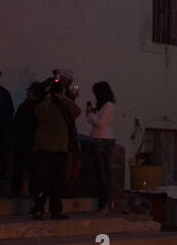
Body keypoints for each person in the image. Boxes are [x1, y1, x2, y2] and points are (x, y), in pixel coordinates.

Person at [31, 76, 81, 219]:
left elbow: (77, 111)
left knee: (56, 182)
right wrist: (50, 98)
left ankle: (54, 209)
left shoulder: (63, 103)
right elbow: (40, 115)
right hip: (45, 148)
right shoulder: (46, 103)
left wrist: (62, 98)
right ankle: (39, 208)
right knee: (43, 182)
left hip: (59, 148)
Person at [85, 81, 117, 212]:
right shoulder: (104, 106)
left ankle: (105, 204)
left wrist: (90, 115)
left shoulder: (108, 105)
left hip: (103, 141)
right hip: (99, 140)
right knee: (99, 174)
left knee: (104, 174)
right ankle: (102, 204)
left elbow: (100, 122)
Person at [11, 83, 42, 199]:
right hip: (32, 141)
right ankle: (32, 191)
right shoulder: (39, 107)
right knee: (33, 168)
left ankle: (16, 190)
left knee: (19, 167)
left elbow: (16, 124)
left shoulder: (25, 106)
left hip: (23, 141)